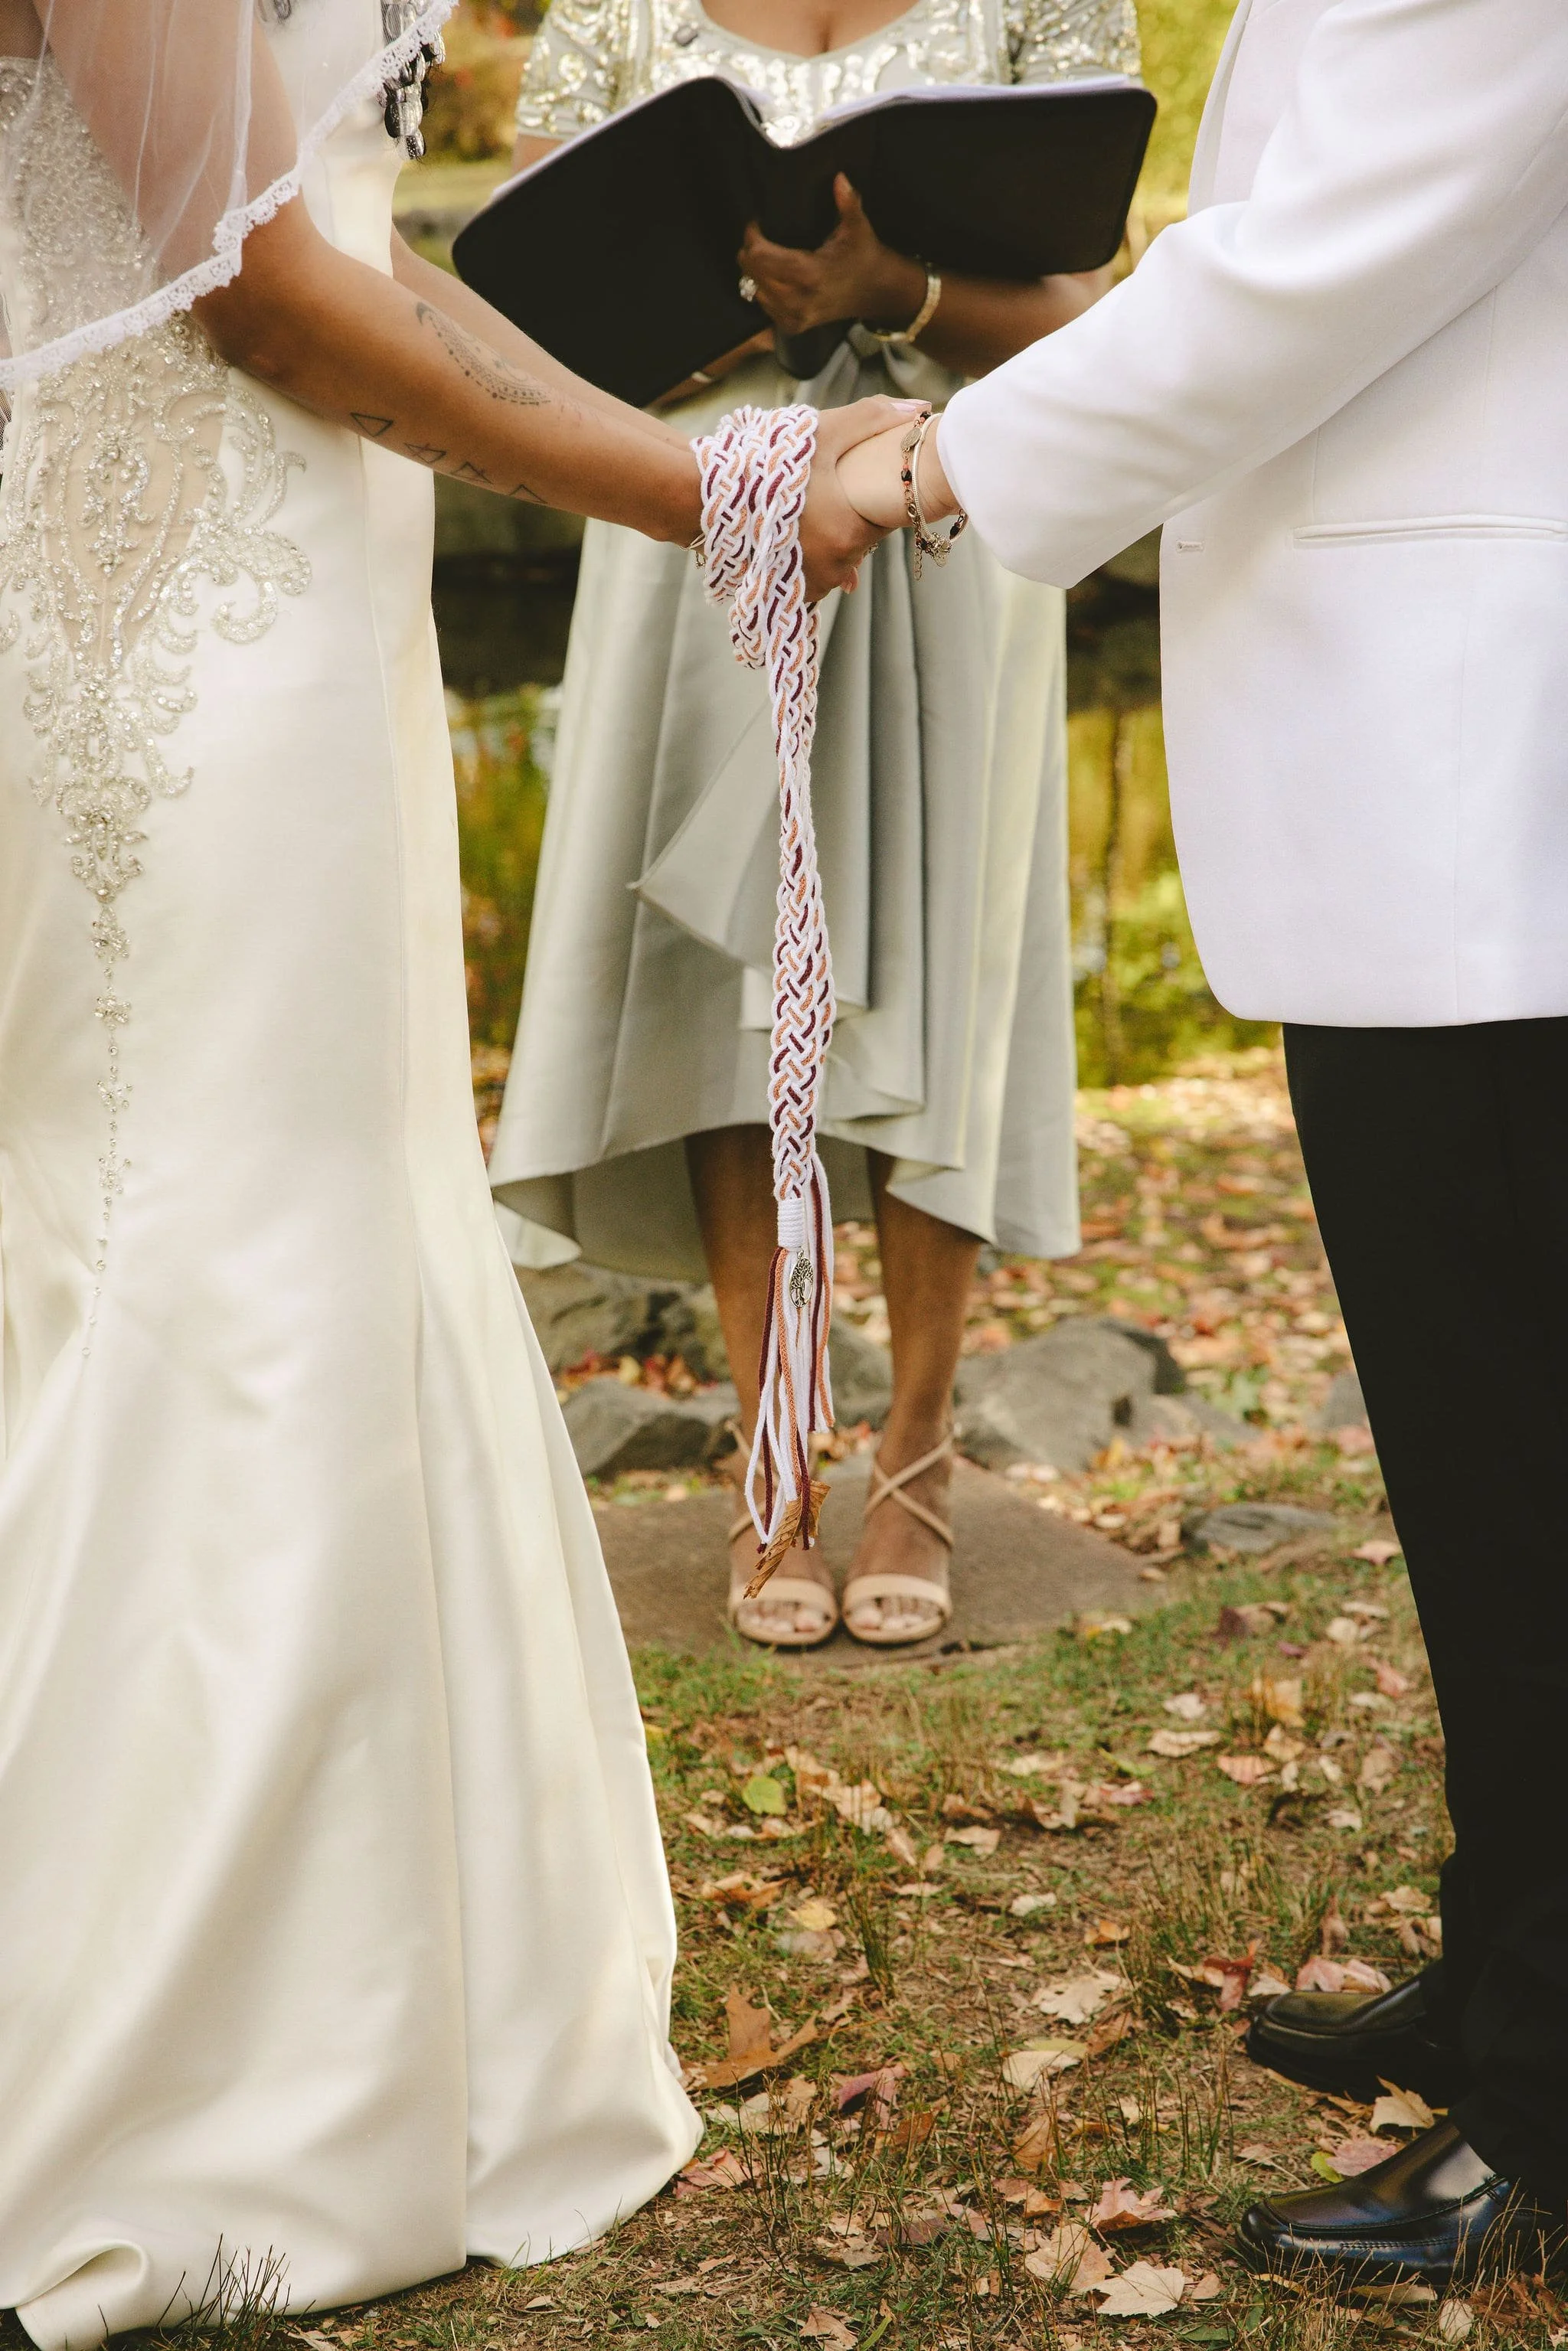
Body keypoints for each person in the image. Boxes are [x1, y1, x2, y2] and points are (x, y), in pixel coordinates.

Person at [0, 3, 897, 2341]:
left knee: (315, 1208)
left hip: (300, 568)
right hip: (177, 592)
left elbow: (358, 237)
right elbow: (260, 286)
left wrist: (710, 454)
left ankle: (395, 1997)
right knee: (212, 1237)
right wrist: (712, 501)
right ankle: (167, 2072)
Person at [838, 0, 1568, 2292]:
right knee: (1483, 1463)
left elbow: (1331, 250)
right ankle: (1510, 1952)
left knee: (1525, 1472)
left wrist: (948, 457)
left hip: (1483, 784)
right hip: (1427, 776)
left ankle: (1550, 2096)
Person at [487, 0, 1140, 1650]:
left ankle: (916, 1447)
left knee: (937, 961)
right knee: (730, 965)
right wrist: (740, 315)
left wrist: (888, 291)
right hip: (695, 510)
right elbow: (527, 325)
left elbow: (1103, 326)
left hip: (948, 501)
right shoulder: (610, 10)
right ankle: (769, 1452)